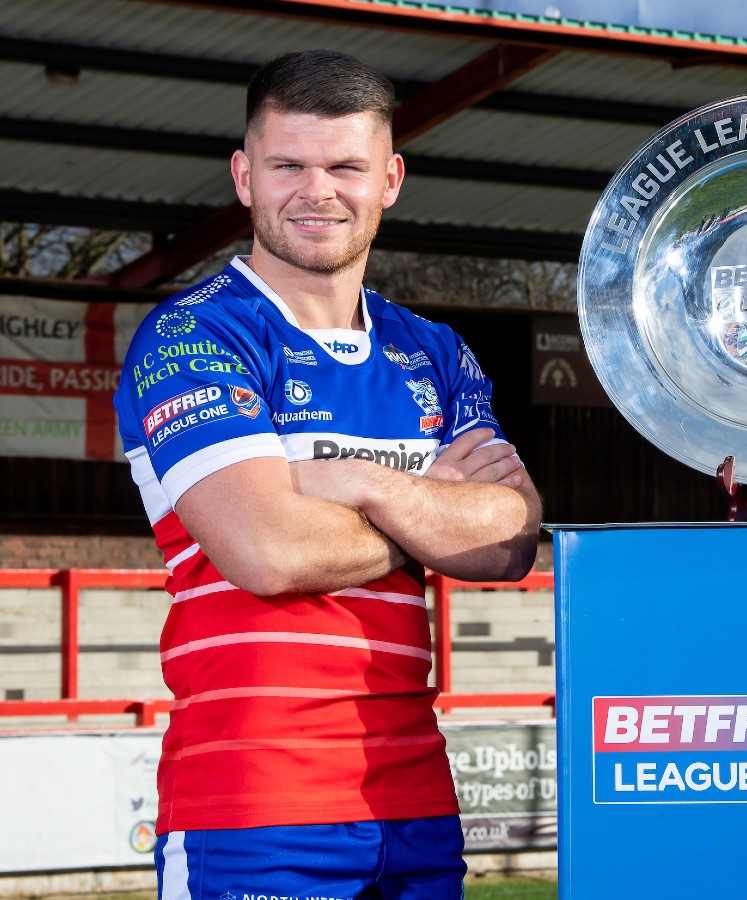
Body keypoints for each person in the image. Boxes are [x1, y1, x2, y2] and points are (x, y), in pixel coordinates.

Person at [114, 50, 541, 900]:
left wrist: (365, 481)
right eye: (289, 166)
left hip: (418, 803)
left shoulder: (435, 352)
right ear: (245, 177)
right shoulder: (194, 337)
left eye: (346, 166)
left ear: (390, 179)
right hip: (254, 805)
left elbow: (512, 539)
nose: (319, 191)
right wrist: (431, 508)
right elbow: (269, 551)